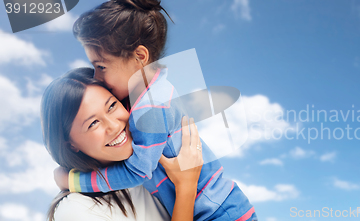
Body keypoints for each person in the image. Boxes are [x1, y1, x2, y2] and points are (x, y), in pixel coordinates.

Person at [54, 0, 257, 220]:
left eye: (101, 66)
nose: (97, 77)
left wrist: (74, 181)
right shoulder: (154, 89)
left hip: (219, 213)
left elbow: (137, 171)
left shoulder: (150, 109)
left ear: (140, 57)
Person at [42, 68, 203, 221]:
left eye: (112, 106)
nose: (114, 126)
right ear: (71, 146)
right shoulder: (76, 210)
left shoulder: (151, 161)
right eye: (93, 123)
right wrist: (186, 186)